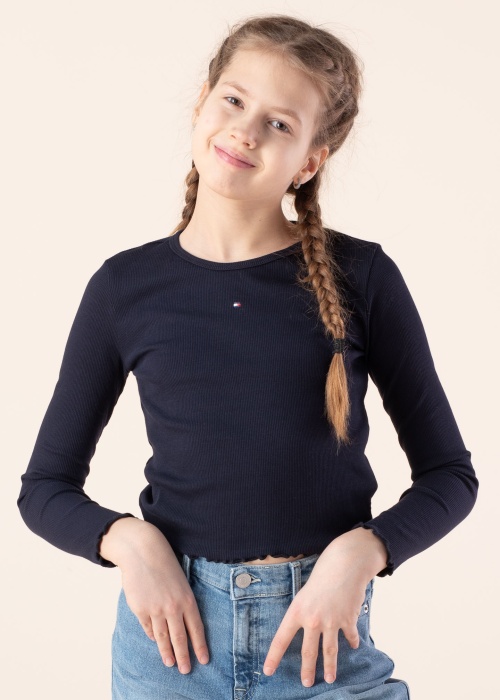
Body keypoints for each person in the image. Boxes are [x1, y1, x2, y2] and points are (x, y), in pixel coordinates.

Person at [17, 13, 478, 700]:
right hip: (169, 654)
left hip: (322, 648)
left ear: (310, 162)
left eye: (280, 124)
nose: (246, 131)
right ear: (201, 104)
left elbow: (449, 476)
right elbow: (44, 488)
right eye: (234, 101)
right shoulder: (124, 288)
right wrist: (129, 542)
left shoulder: (363, 277)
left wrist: (363, 551)